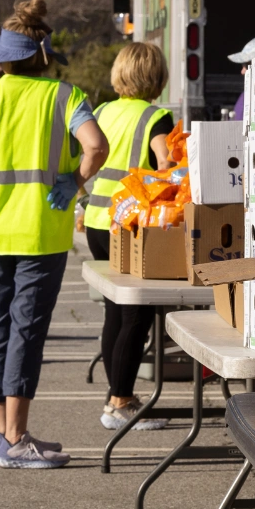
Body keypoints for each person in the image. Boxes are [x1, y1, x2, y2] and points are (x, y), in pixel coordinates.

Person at [0, 0, 109, 469]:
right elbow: (95, 147)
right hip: (39, 234)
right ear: (42, 54)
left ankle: (5, 434)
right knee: (26, 333)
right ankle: (16, 439)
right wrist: (75, 180)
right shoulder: (64, 96)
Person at [83, 42, 175, 431]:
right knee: (136, 316)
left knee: (113, 311)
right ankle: (120, 402)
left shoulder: (102, 111)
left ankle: (115, 395)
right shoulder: (157, 116)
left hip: (96, 220)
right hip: (130, 225)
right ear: (156, 76)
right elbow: (167, 163)